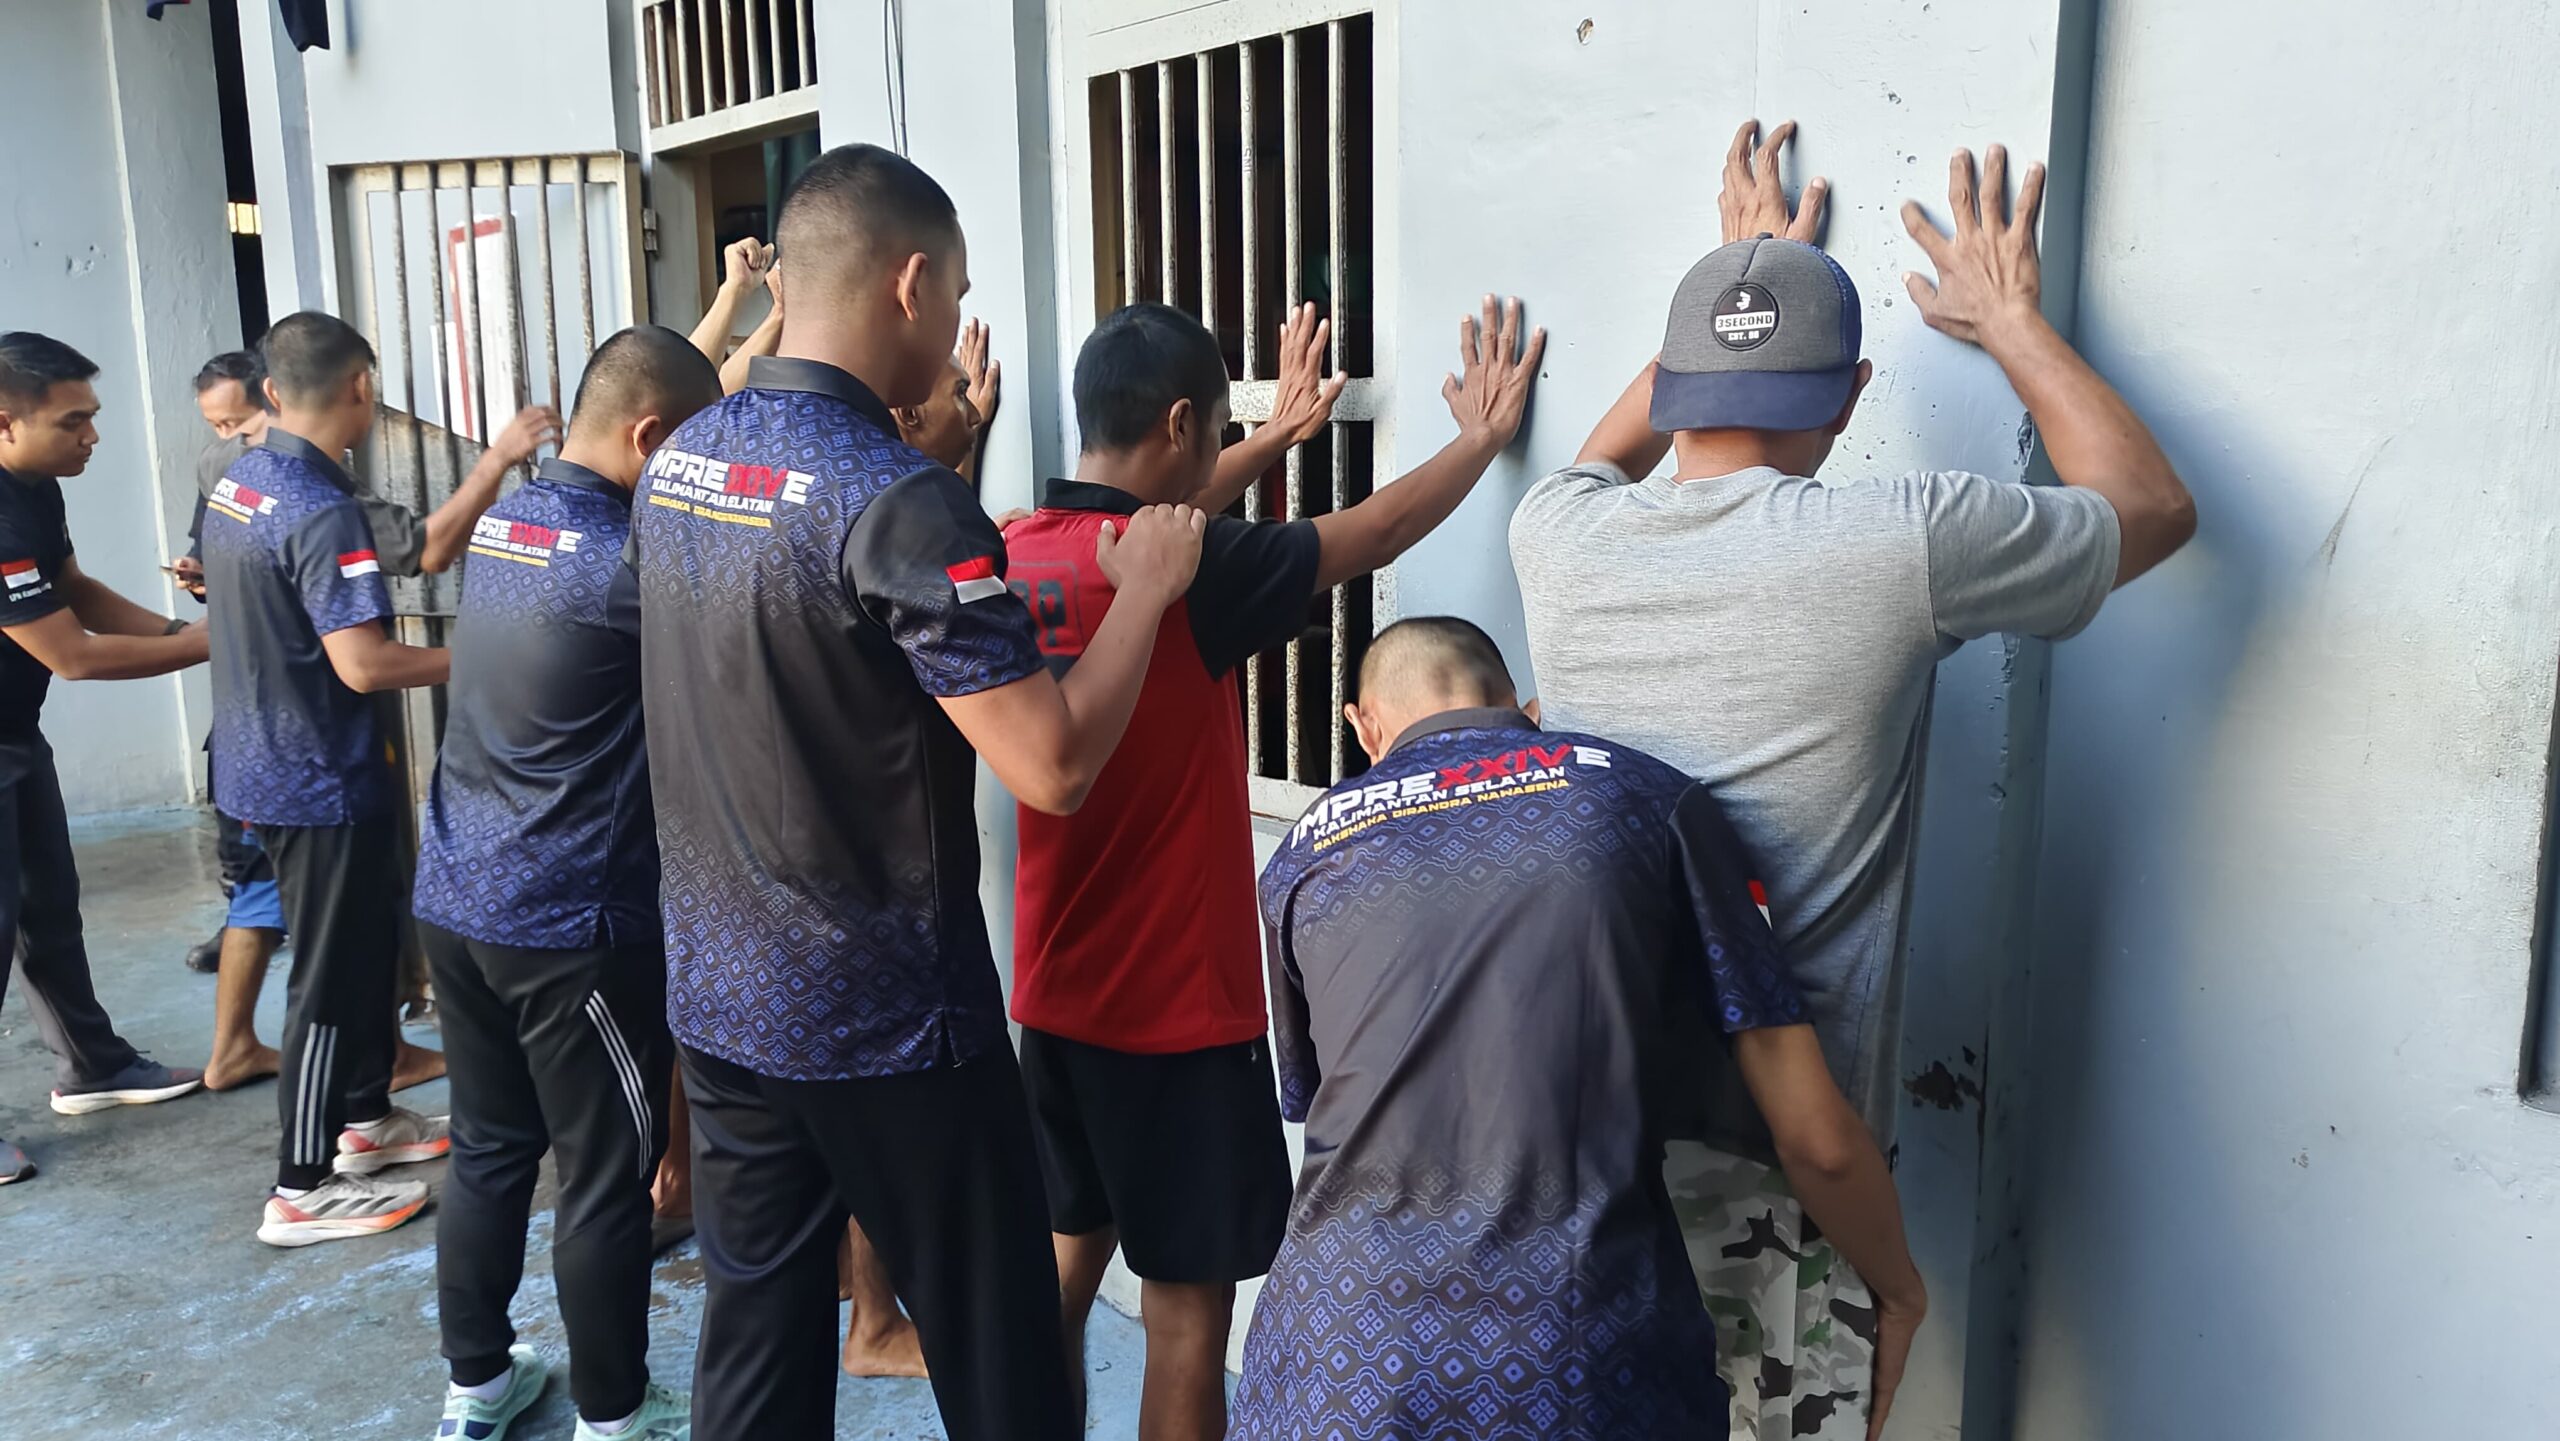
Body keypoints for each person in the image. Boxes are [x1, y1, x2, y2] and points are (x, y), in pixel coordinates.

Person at [1508, 120, 2195, 1436]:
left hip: (1577, 1133)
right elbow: (2151, 509)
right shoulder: (1906, 537)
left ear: (1677, 386)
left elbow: (1615, 445)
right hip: (1788, 1154)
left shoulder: (1558, 534)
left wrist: (1731, 286)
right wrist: (2007, 322)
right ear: (1853, 393)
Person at [630, 142, 1204, 1441]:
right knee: (1000, 1352)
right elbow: (1051, 763)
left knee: (757, 1345)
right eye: (955, 294)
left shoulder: (683, 461)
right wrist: (1146, 595)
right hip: (888, 1020)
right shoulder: (899, 500)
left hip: (721, 997)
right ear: (909, 283)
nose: (954, 327)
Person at [1000, 297, 1542, 1440]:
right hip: (1173, 1019)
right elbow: (1377, 530)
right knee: (1186, 1314)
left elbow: (1164, 516)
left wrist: (1277, 438)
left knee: (1060, 1261)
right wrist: (1481, 440)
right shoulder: (1193, 580)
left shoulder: (1016, 551)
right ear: (1180, 423)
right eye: (1214, 432)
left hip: (1050, 998)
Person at [1235, 617, 1926, 1440]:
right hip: (1575, 1361)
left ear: (1363, 726)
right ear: (1526, 707)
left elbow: (1321, 1096)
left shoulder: (1304, 849)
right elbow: (1815, 1136)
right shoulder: (1645, 797)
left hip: (1334, 1357)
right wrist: (1899, 1290)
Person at [410, 326, 721, 1441]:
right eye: (691, 456)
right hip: (570, 927)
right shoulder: (627, 567)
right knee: (605, 1173)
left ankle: (479, 1382)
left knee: (490, 1148)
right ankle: (615, 1412)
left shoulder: (514, 521)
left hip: (457, 896)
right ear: (649, 439)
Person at [200, 311, 470, 1246]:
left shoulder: (244, 482)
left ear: (272, 393)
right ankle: (302, 1182)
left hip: (263, 757)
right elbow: (364, 664)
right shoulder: (323, 509)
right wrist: (487, 658)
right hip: (315, 777)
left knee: (358, 952)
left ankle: (365, 1115)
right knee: (325, 973)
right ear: (361, 387)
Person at [0, 332, 212, 1185]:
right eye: (72, 422)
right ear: (5, 422)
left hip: (15, 732)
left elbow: (75, 589)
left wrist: (182, 631)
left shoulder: (33, 487)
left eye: (91, 416)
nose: (92, 436)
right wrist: (218, 643)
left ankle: (92, 1065)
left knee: (48, 906)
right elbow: (72, 653)